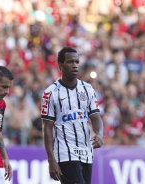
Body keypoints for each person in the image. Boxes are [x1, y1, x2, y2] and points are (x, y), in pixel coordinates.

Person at [41, 47, 103, 184]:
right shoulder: (50, 93)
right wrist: (51, 160)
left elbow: (96, 117)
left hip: (86, 152)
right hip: (65, 153)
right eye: (70, 62)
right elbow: (47, 128)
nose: (74, 65)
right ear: (60, 66)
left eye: (76, 62)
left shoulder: (87, 89)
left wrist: (99, 134)